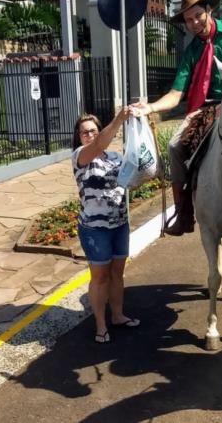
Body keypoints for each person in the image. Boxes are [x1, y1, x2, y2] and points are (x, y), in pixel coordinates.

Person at [128, 0, 222, 236]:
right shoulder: (192, 51)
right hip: (208, 107)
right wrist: (149, 107)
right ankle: (184, 214)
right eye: (189, 20)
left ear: (209, 11)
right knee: (174, 145)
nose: (194, 23)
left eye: (197, 16)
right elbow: (176, 93)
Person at [72, 109, 141, 344]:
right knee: (100, 277)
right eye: (84, 133)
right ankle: (101, 325)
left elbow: (130, 180)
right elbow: (100, 144)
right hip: (95, 229)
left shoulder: (115, 158)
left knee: (117, 273)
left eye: (93, 131)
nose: (89, 135)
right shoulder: (81, 156)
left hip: (119, 224)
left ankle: (118, 315)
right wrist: (119, 119)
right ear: (79, 137)